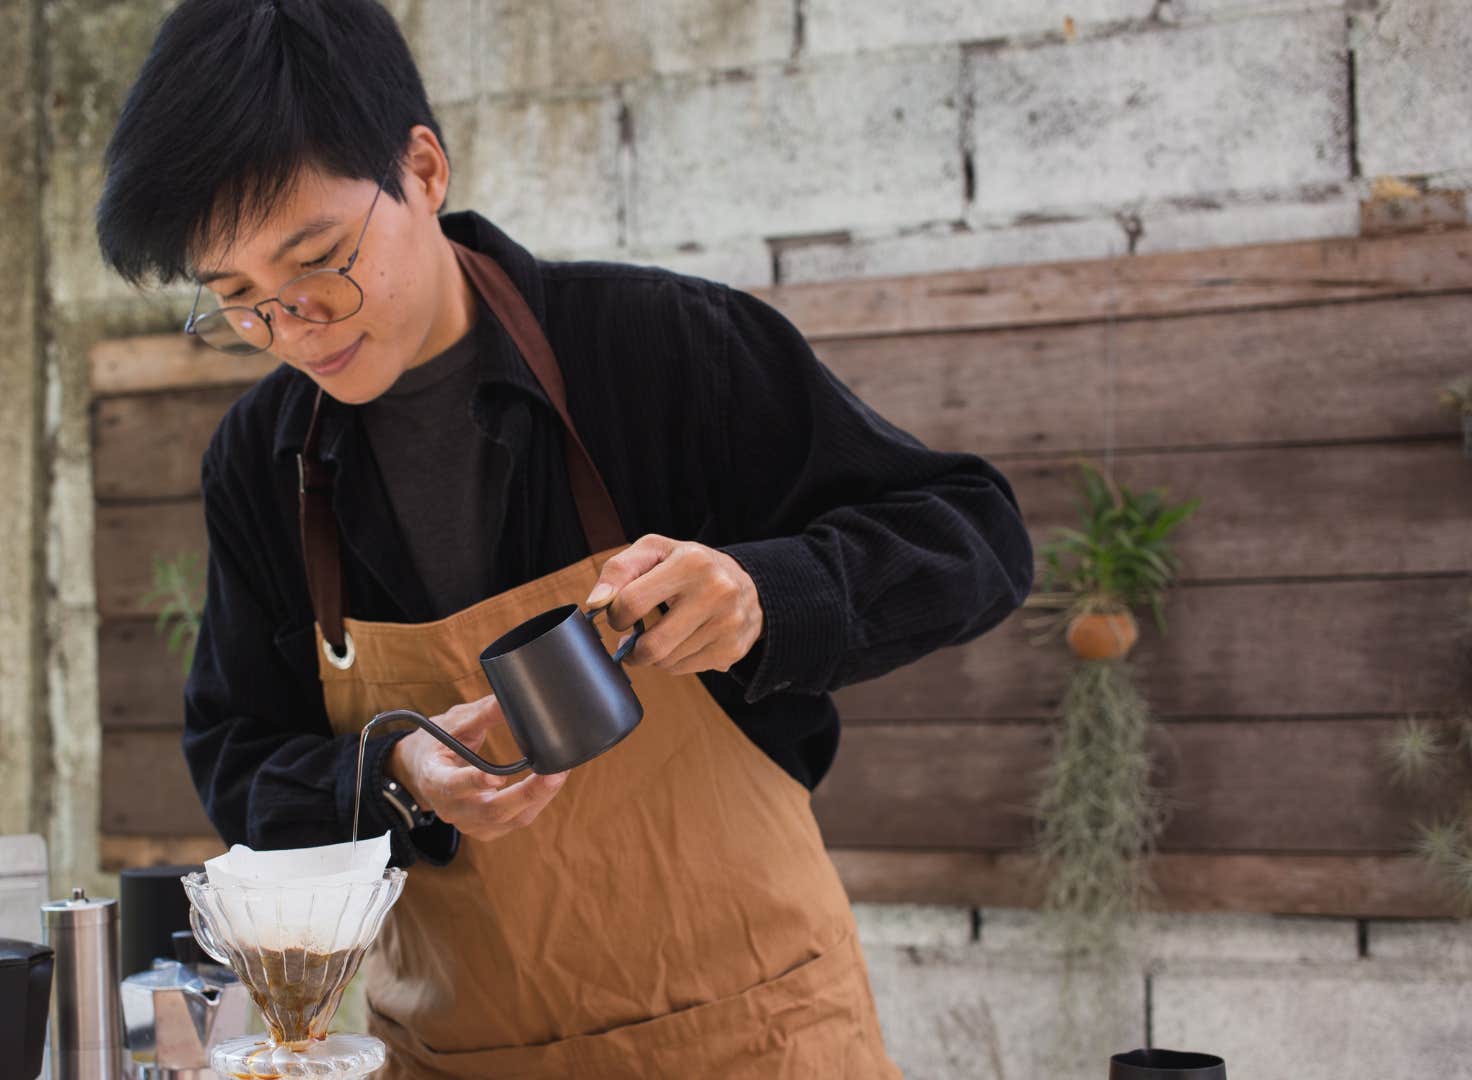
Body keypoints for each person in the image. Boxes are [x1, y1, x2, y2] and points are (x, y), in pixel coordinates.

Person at [97, 2, 1032, 1075]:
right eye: (239, 301)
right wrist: (401, 771)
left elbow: (974, 531)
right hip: (456, 1056)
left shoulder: (664, 348)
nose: (292, 326)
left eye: (316, 262)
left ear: (423, 170)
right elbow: (238, 757)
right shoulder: (264, 463)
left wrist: (763, 594)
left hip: (753, 1037)